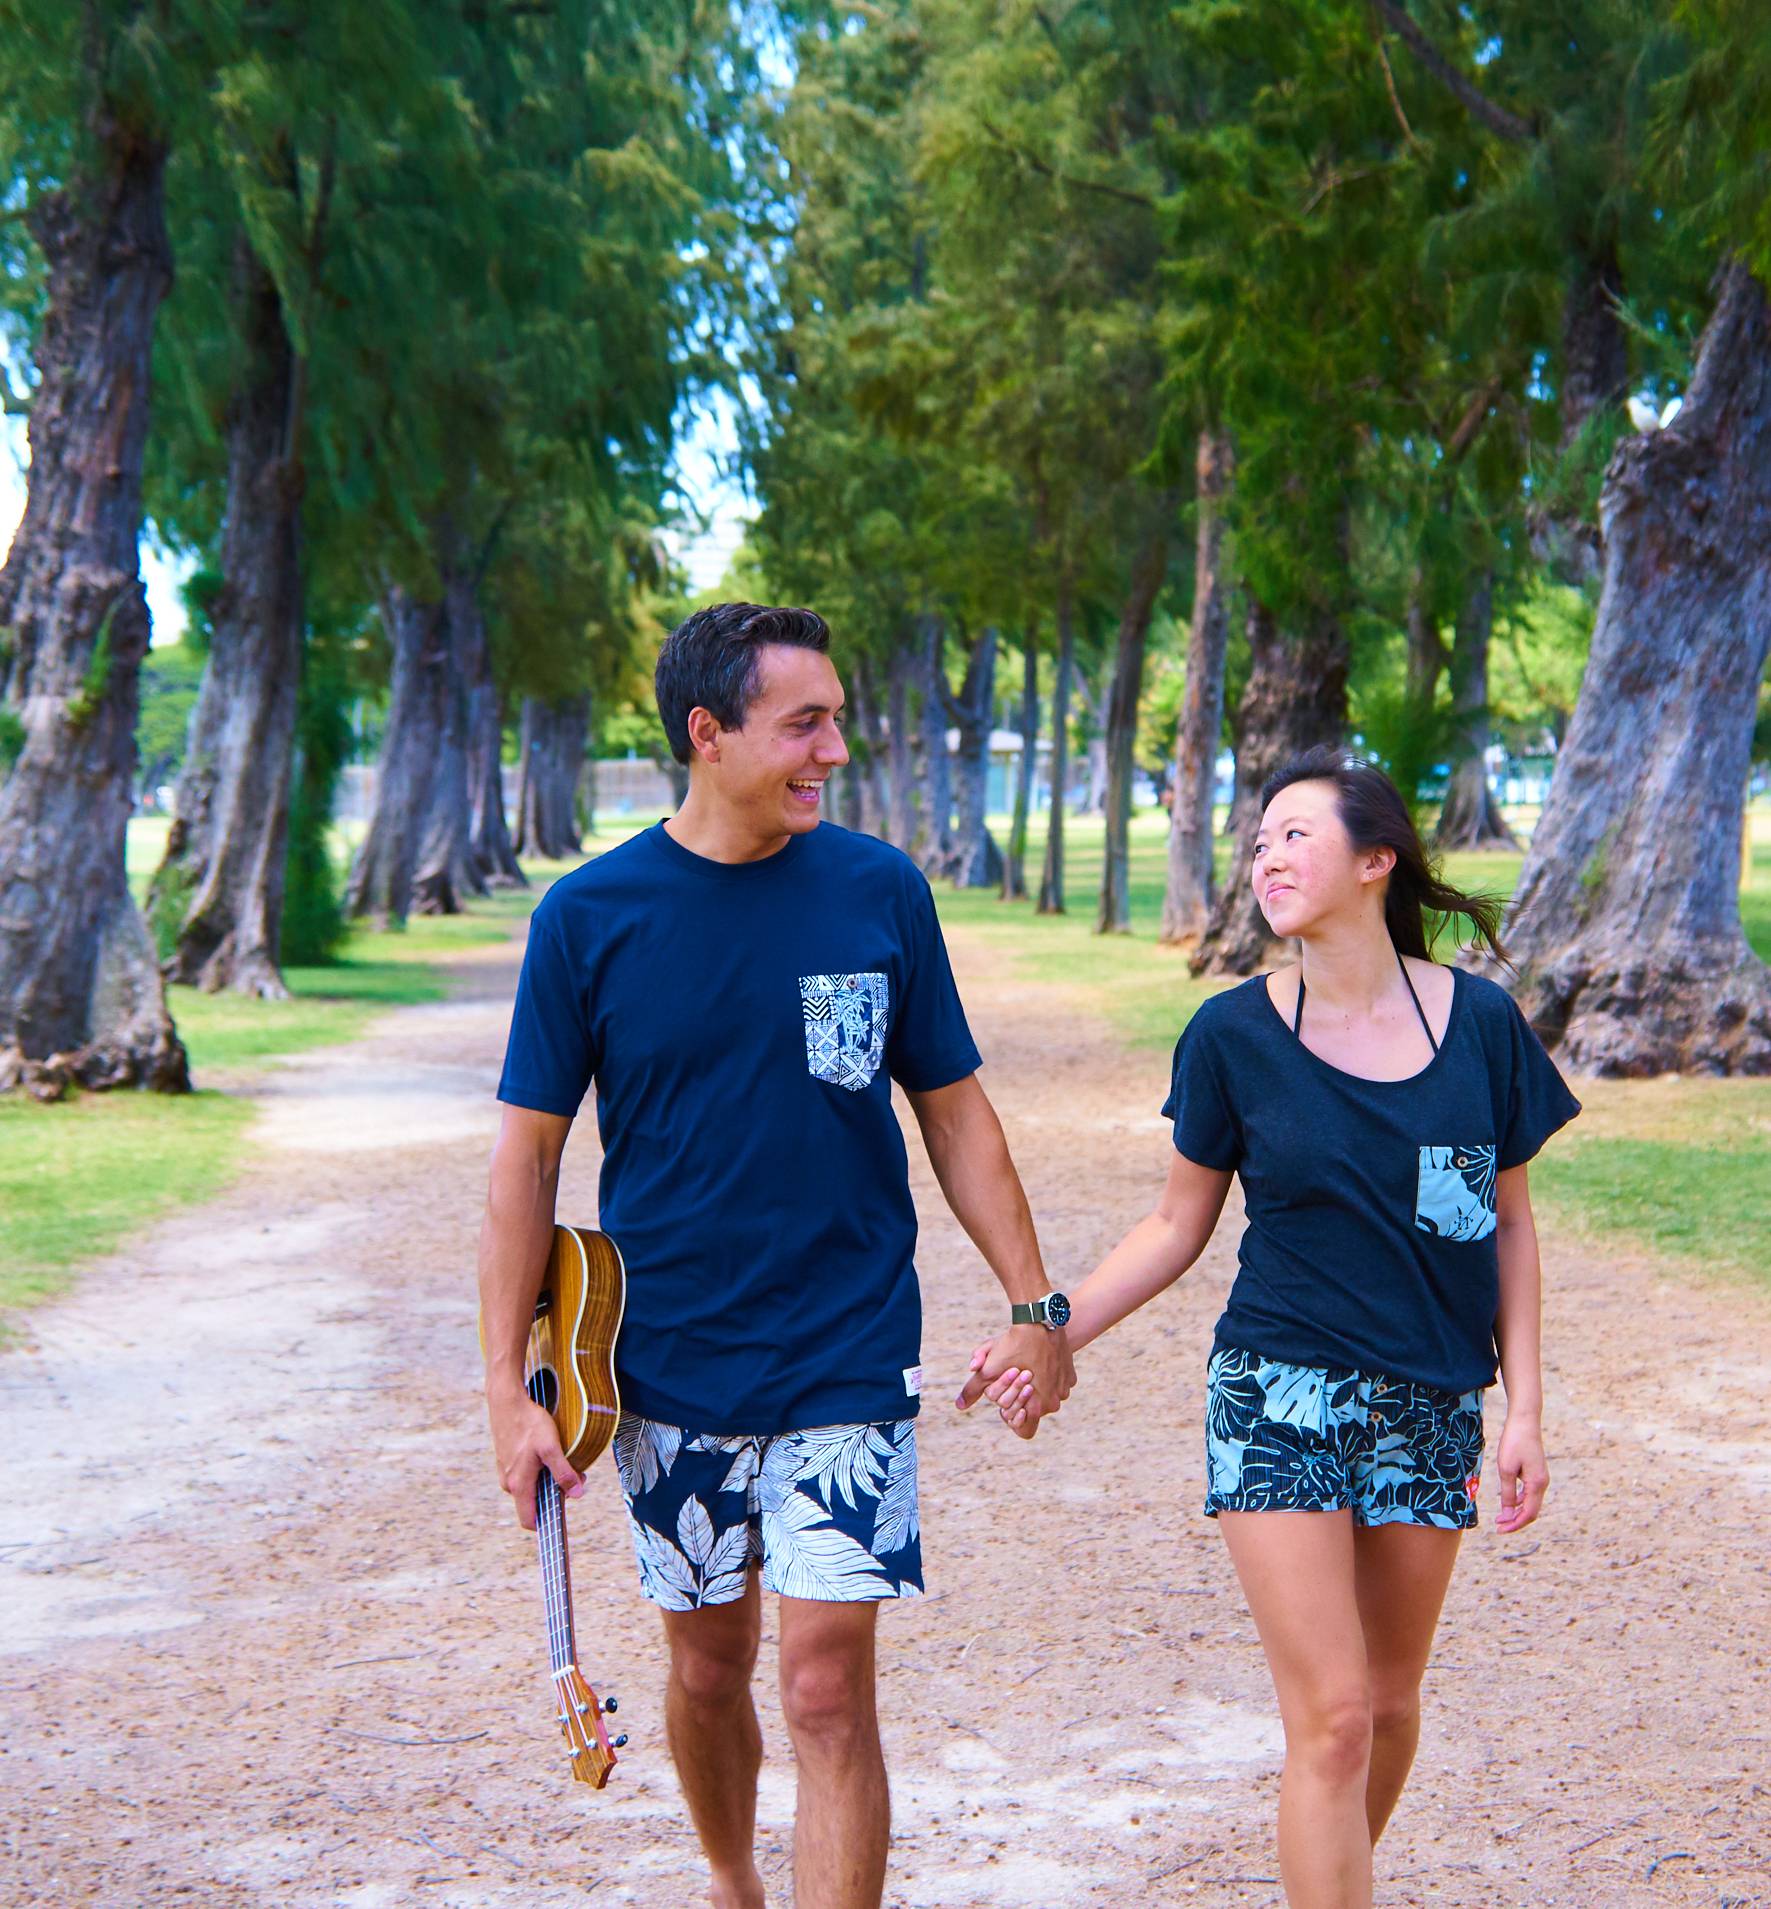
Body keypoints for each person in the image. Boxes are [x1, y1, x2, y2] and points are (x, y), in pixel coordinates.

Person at [478, 602, 1074, 1909]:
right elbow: (525, 1161)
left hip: (845, 1348)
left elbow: (955, 1112)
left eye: (836, 721)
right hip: (663, 1362)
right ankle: (731, 1877)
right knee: (707, 1669)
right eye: (804, 724)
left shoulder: (878, 891)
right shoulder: (589, 916)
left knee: (822, 1683)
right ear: (708, 733)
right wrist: (504, 1393)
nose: (833, 750)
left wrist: (1037, 1304)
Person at [967, 745, 1580, 1909]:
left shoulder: (1481, 1027)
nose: (1267, 857)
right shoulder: (1232, 1036)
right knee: (1334, 1717)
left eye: (1296, 834)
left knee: (1387, 1707)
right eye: (1258, 841)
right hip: (1277, 1390)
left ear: (1376, 859)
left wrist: (1525, 1412)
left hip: (1431, 1396)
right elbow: (1172, 1225)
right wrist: (1049, 1328)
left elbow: (1505, 1224)